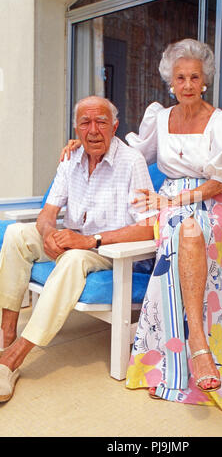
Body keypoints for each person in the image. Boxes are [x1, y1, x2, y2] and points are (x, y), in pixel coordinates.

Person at [60, 39, 222, 411]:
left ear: (204, 80)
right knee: (181, 229)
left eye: (194, 76)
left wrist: (173, 201)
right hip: (166, 206)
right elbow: (126, 151)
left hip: (206, 204)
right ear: (170, 82)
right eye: (180, 77)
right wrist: (82, 144)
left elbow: (219, 182)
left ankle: (197, 344)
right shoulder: (159, 117)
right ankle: (194, 346)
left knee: (189, 228)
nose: (187, 84)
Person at [0, 95, 156, 403]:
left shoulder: (131, 162)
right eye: (86, 122)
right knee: (17, 233)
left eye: (101, 121)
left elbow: (148, 227)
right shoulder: (72, 157)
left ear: (115, 126)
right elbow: (49, 211)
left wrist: (89, 241)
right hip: (73, 238)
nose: (93, 130)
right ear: (76, 128)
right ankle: (7, 334)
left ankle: (11, 361)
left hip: (107, 248)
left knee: (72, 258)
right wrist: (47, 232)